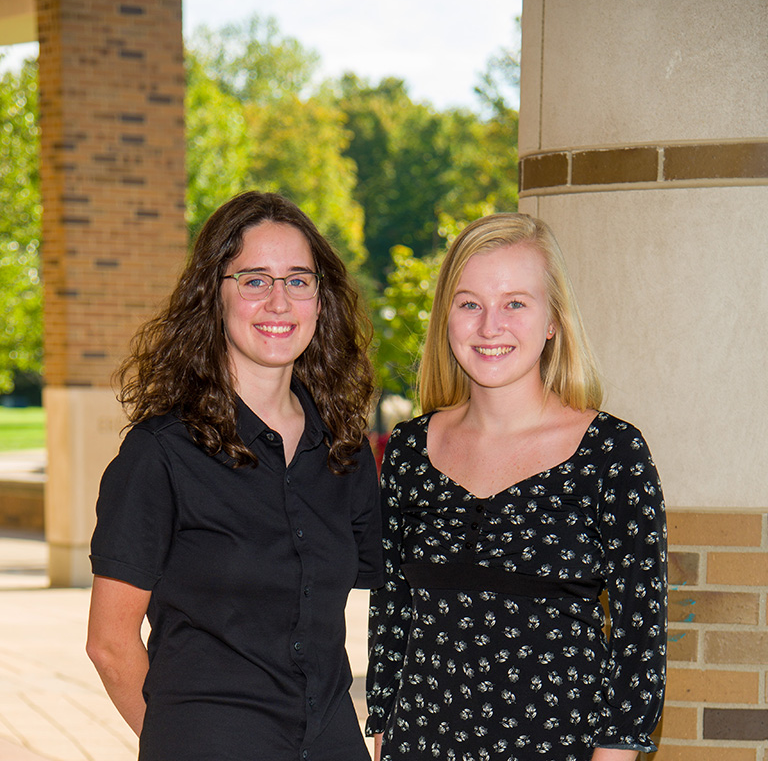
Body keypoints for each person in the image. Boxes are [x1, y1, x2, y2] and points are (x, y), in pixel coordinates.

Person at [86, 191, 383, 761]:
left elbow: (392, 588)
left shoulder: (343, 451)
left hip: (331, 742)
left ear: (321, 300)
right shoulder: (160, 453)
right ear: (213, 297)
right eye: (254, 280)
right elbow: (109, 644)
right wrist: (180, 741)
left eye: (299, 280)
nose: (279, 301)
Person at [366, 213, 666, 761]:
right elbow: (392, 610)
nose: (489, 326)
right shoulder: (409, 451)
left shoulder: (612, 453)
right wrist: (384, 725)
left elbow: (639, 639)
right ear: (446, 318)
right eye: (470, 303)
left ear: (553, 320)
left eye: (515, 303)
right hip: (423, 744)